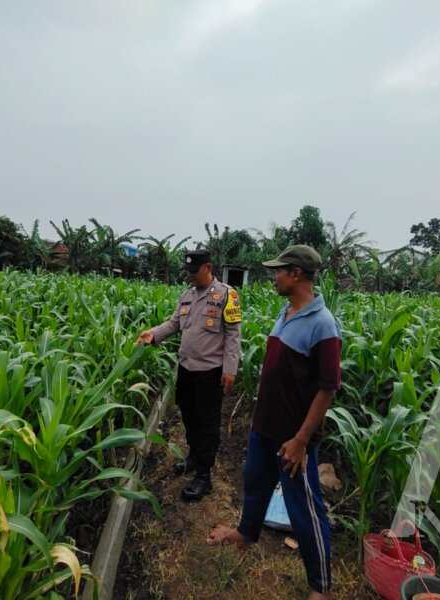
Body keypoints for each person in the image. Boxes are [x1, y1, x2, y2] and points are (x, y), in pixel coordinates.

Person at [206, 244, 341, 600]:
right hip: (265, 425)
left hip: (292, 437)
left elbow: (328, 388)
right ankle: (246, 534)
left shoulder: (324, 324)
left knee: (304, 507)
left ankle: (321, 587)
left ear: (296, 274)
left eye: (278, 271)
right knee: (255, 481)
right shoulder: (287, 311)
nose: (273, 277)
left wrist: (300, 440)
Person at [137, 249, 242, 501]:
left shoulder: (227, 295)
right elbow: (174, 324)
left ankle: (204, 476)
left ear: (208, 267)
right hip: (186, 370)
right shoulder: (187, 296)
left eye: (194, 272)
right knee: (189, 416)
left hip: (210, 373)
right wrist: (153, 334)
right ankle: (194, 457)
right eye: (188, 273)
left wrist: (230, 369)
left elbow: (233, 334)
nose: (190, 277)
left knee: (207, 423)